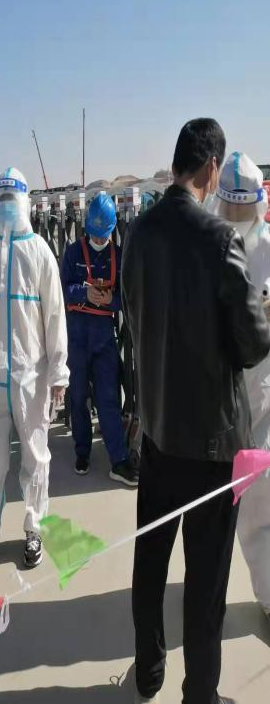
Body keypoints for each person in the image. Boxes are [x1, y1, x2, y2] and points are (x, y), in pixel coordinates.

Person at [121, 119, 270, 704]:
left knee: (150, 561)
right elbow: (252, 345)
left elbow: (133, 318)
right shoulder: (218, 239)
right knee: (205, 584)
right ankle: (199, 694)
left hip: (158, 433)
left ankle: (148, 672)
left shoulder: (139, 233)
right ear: (211, 167)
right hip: (211, 447)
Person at [0, 167, 69, 570]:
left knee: (35, 459)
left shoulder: (39, 252)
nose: (7, 207)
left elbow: (55, 318)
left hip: (31, 377)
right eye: (1, 200)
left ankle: (34, 528)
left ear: (24, 203)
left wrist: (58, 374)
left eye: (12, 200)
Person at [211, 152, 270, 623]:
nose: (235, 217)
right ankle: (207, 583)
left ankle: (267, 593)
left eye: (241, 209)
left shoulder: (269, 247)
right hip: (218, 391)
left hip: (263, 389)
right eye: (228, 208)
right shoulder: (208, 246)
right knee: (214, 503)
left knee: (259, 496)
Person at [61, 192, 138, 486]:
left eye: (103, 235)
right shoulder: (73, 253)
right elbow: (61, 291)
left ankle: (118, 460)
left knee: (108, 397)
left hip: (104, 335)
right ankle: (82, 451)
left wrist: (110, 301)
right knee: (78, 396)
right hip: (77, 335)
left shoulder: (118, 255)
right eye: (94, 234)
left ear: (111, 229)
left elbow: (127, 297)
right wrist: (84, 293)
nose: (98, 240)